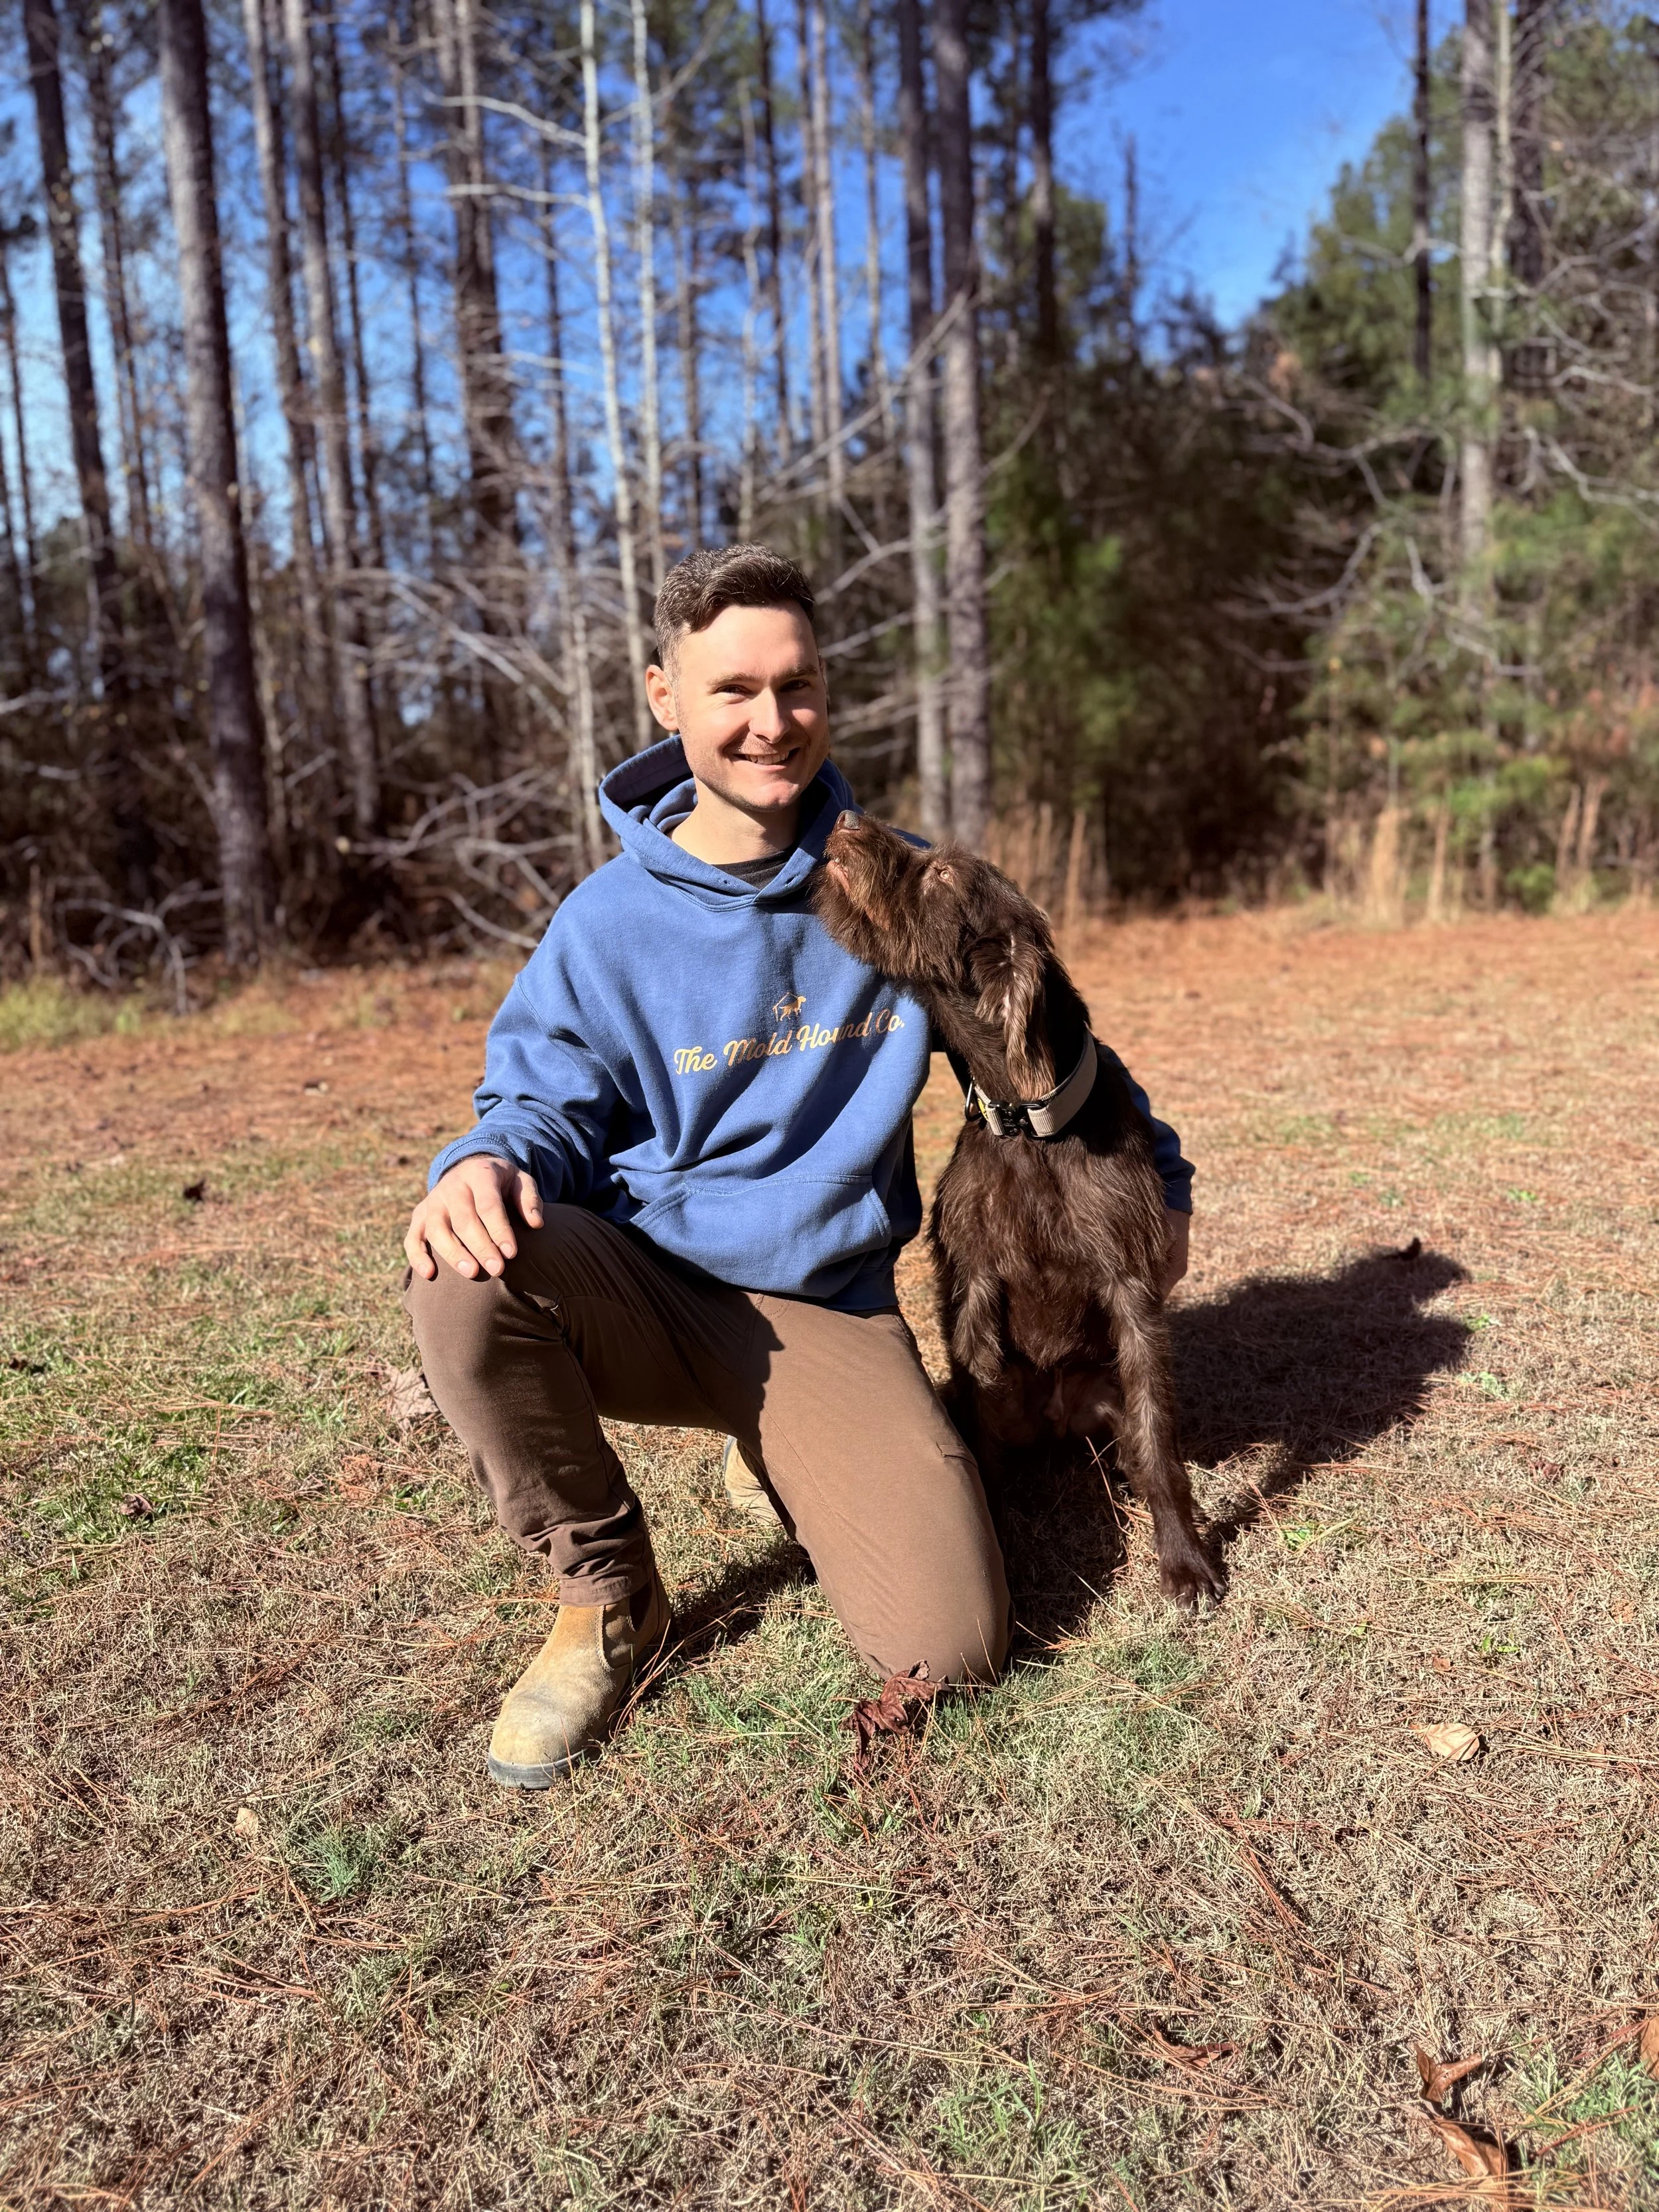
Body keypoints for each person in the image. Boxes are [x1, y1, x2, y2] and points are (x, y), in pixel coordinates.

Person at [403, 544, 1192, 1790]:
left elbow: (1052, 1055)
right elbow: (536, 1099)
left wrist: (1164, 1195)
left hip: (825, 1307)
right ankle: (606, 1595)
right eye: (734, 692)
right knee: (463, 1273)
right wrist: (483, 1161)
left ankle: (777, 1439)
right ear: (667, 698)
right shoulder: (608, 924)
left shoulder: (887, 888)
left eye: (800, 686)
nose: (773, 723)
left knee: (954, 1644)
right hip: (650, 1286)